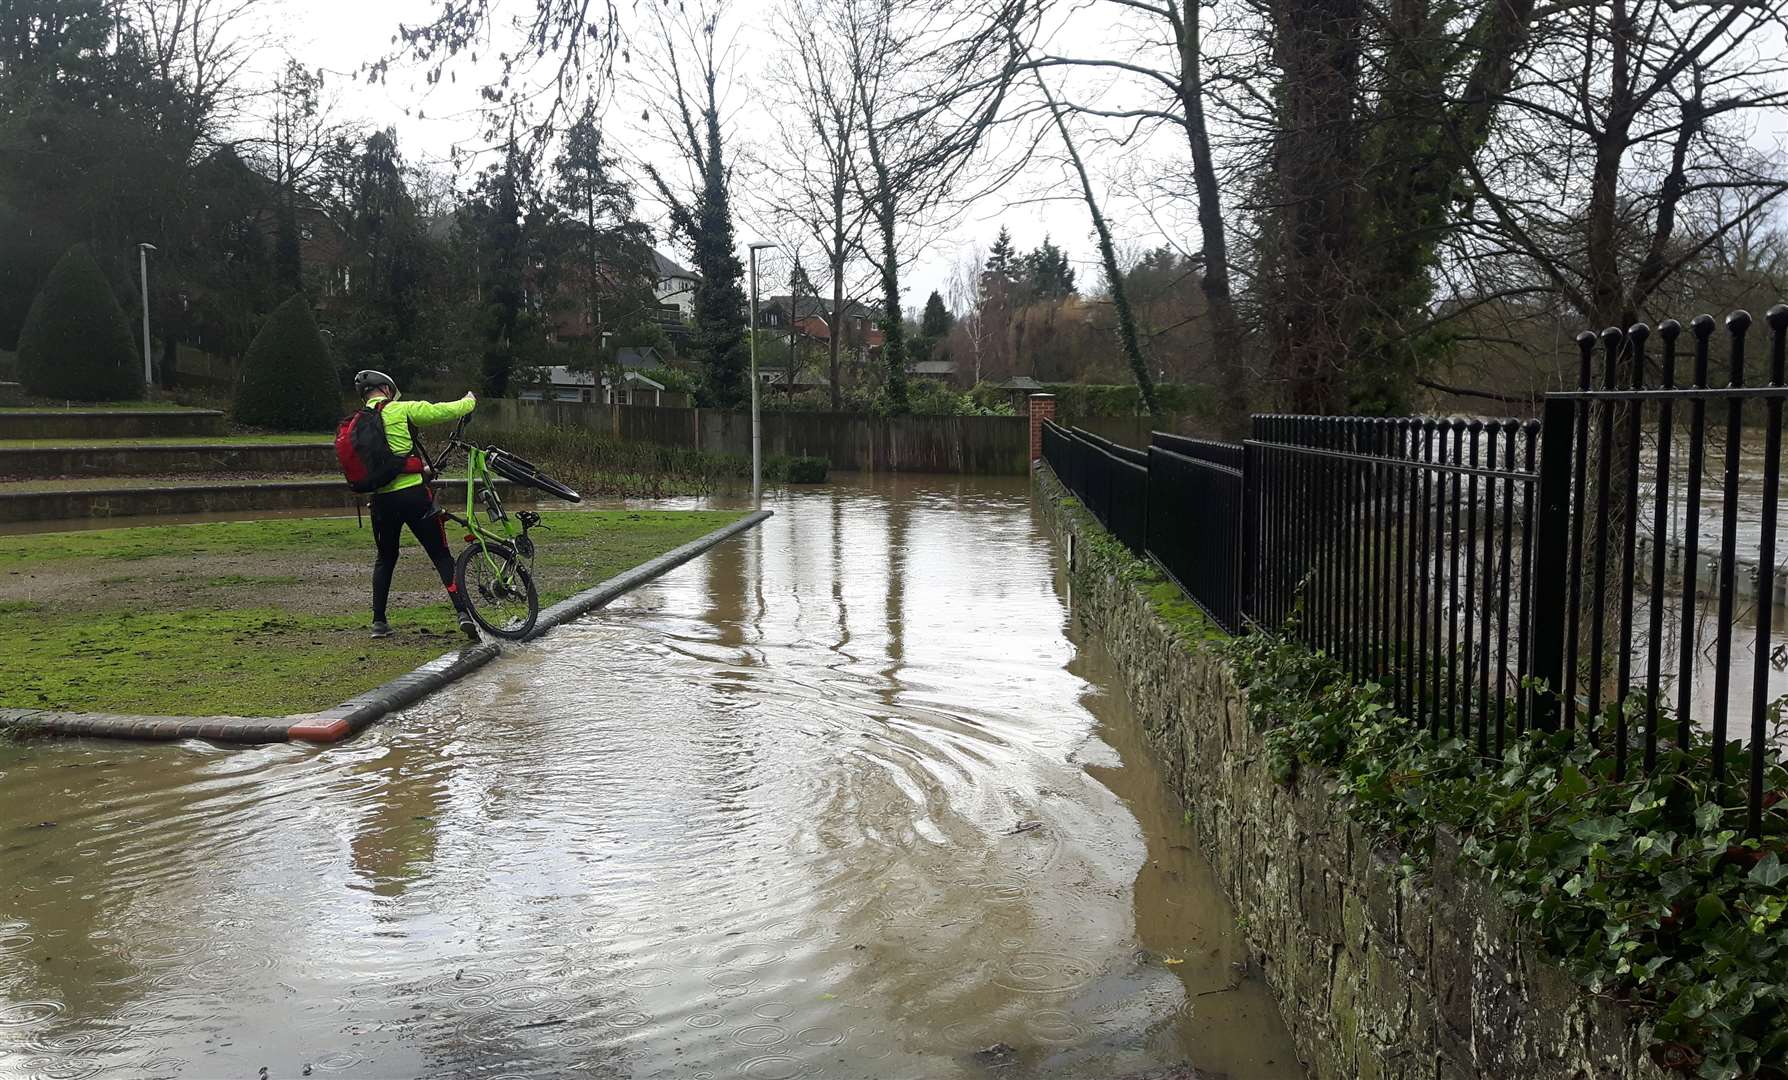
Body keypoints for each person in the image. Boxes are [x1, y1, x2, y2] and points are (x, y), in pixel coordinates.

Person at [353, 369, 480, 640]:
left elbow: (380, 466)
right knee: (441, 554)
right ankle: (463, 614)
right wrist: (469, 401)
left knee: (385, 558)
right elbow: (440, 411)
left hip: (381, 501)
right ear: (386, 390)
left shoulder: (357, 424)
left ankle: (379, 622)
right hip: (414, 495)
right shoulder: (401, 410)